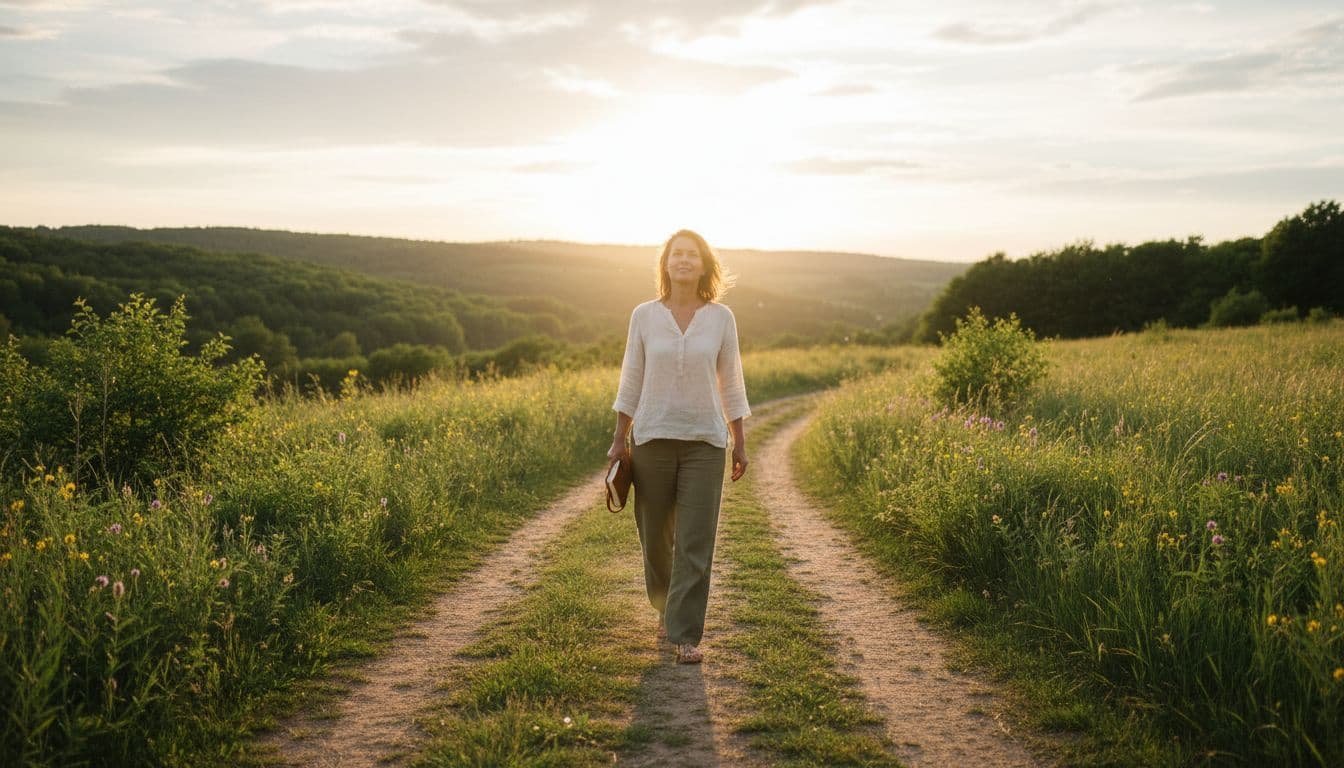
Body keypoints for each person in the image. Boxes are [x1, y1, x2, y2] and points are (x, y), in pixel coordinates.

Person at [608, 228, 751, 665]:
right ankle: (666, 606)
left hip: (705, 442)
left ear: (704, 264)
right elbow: (631, 377)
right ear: (666, 264)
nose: (684, 260)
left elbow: (732, 381)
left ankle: (685, 633)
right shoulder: (644, 316)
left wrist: (739, 441)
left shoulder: (721, 318)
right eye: (677, 254)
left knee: (695, 540)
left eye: (692, 254)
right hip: (651, 437)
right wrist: (619, 438)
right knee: (655, 537)